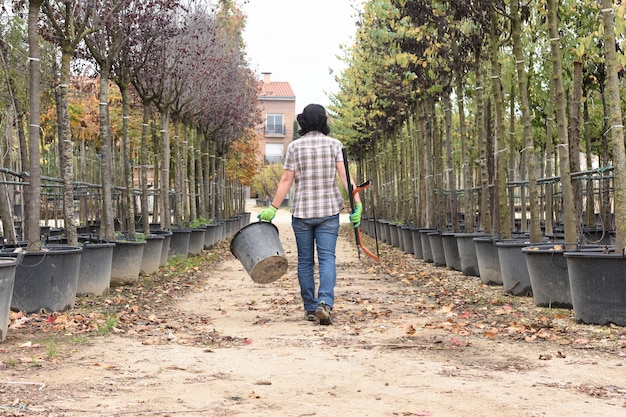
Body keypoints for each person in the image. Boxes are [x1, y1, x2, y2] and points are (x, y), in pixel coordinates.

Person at [258, 104, 362, 325]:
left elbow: (286, 180)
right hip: (328, 211)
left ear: (303, 122)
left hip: (302, 211)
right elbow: (346, 179)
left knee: (305, 261)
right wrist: (357, 205)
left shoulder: (295, 147)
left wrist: (273, 208)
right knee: (327, 259)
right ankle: (325, 303)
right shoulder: (335, 145)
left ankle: (309, 307)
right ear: (324, 121)